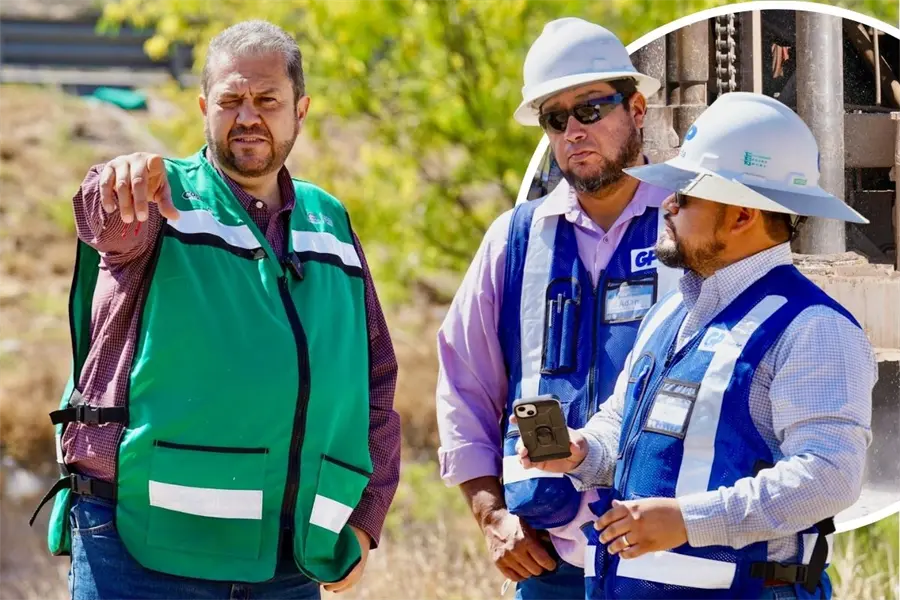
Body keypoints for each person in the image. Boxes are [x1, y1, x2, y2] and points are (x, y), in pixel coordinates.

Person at [28, 19, 401, 600]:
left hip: (288, 560)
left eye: (268, 100)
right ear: (205, 106)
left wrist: (366, 516)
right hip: (140, 553)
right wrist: (115, 179)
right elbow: (106, 220)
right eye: (231, 99)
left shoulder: (330, 222)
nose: (248, 115)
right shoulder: (160, 196)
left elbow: (376, 378)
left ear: (300, 110)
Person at [517, 91, 877, 599]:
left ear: (741, 217)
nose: (667, 204)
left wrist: (689, 521)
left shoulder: (814, 329)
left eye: (686, 194)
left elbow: (828, 477)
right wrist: (580, 452)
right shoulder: (671, 313)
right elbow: (622, 425)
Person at [434, 17, 681, 599]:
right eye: (555, 117)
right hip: (552, 567)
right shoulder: (513, 239)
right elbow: (463, 384)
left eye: (591, 109)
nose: (574, 130)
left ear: (637, 109)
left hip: (672, 564)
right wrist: (490, 513)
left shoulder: (690, 224)